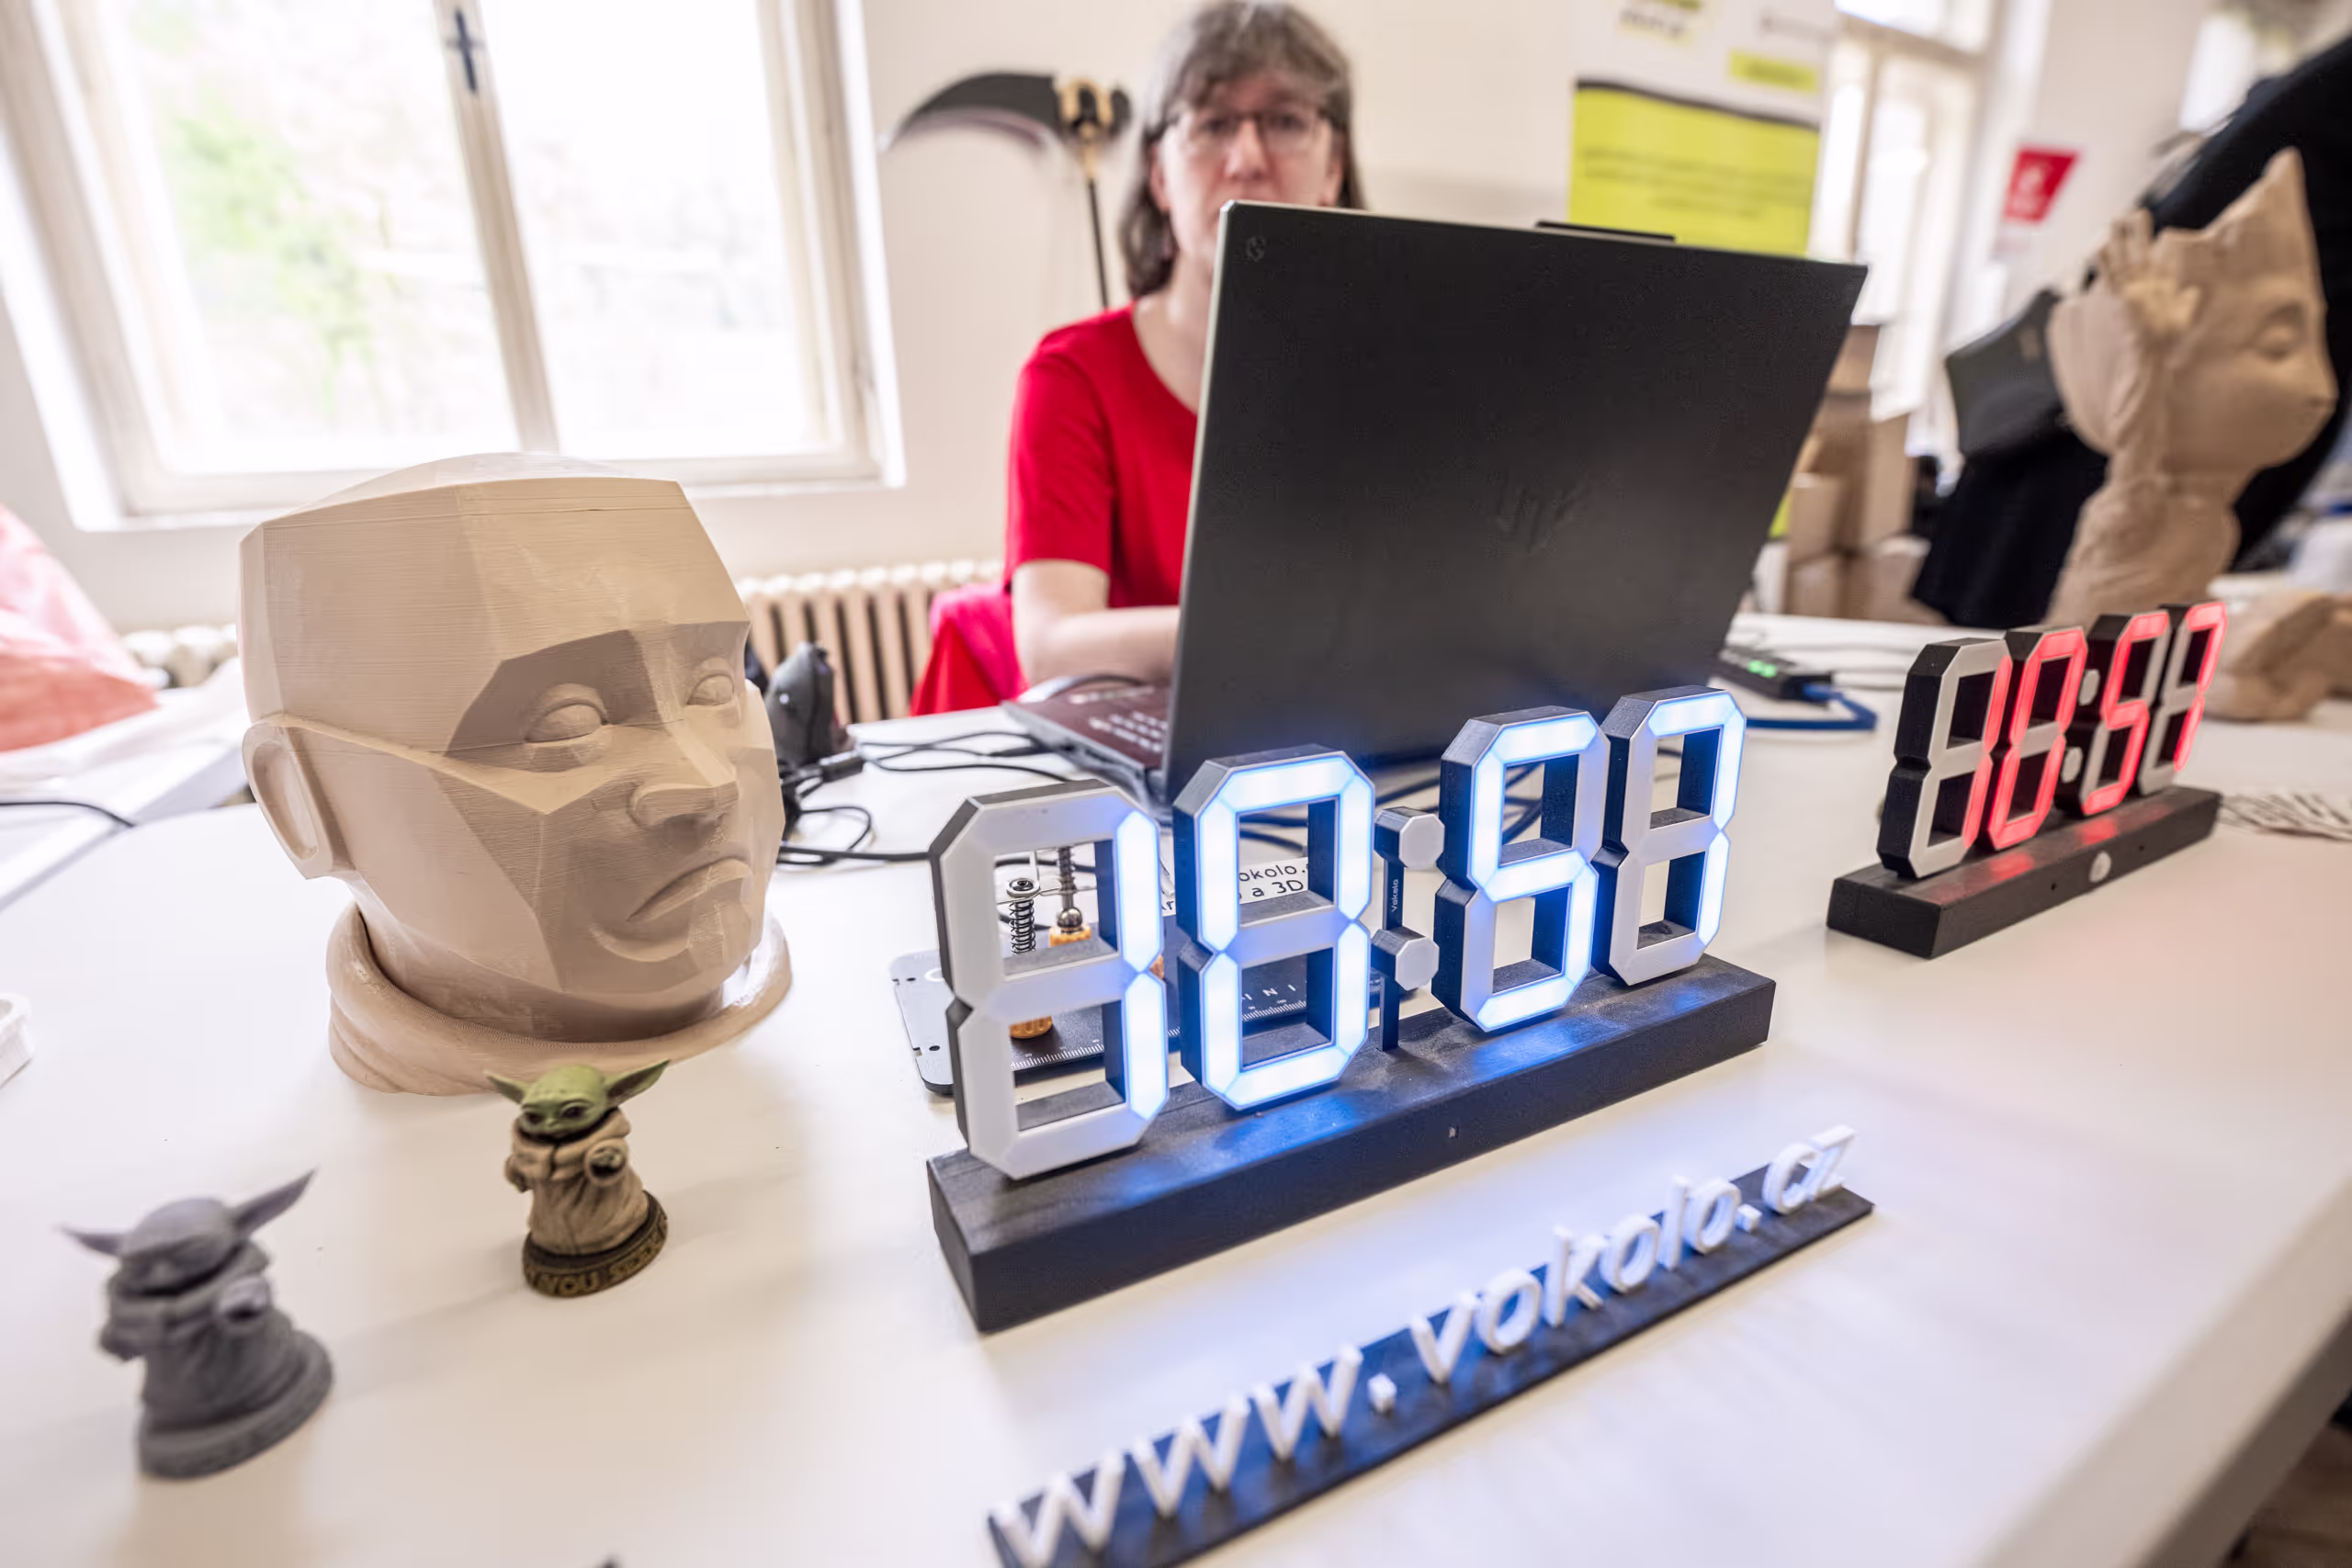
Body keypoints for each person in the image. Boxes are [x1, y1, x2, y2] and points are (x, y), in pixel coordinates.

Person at [1005, 2, 1363, 687]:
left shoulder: (1385, 374)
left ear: (1334, 168)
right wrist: (1271, 630)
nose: (1247, 159)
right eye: (1213, 124)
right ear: (1160, 174)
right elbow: (1050, 646)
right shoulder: (1072, 375)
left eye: (1286, 121)